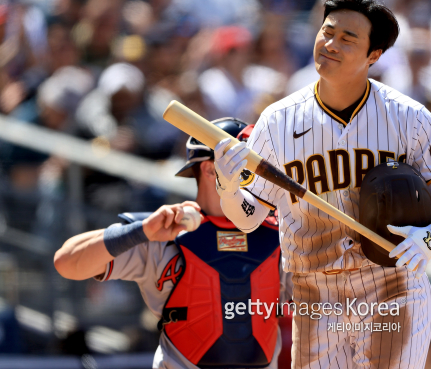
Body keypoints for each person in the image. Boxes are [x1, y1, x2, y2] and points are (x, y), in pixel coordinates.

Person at [213, 0, 431, 368]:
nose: (331, 44)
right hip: (314, 295)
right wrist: (227, 185)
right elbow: (249, 218)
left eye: (347, 38)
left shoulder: (408, 117)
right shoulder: (277, 120)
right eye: (327, 31)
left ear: (374, 54)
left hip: (393, 286)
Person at [54, 118, 283, 369]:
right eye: (248, 164)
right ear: (210, 170)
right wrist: (141, 231)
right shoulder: (164, 230)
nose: (262, 175)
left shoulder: (280, 233)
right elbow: (67, 262)